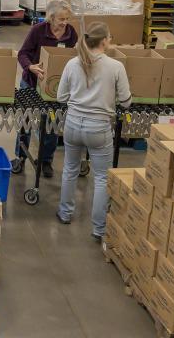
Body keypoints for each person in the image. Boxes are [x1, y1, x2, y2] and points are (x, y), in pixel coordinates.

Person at [54, 22, 131, 241]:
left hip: (72, 124)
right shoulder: (116, 67)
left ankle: (65, 213)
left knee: (69, 169)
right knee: (100, 178)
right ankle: (98, 229)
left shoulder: (72, 63)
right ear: (104, 40)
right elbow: (125, 102)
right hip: (98, 128)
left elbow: (61, 97)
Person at [16, 0, 77, 178]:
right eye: (61, 19)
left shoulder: (71, 33)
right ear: (51, 17)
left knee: (52, 123)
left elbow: (74, 56)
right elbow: (23, 53)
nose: (64, 23)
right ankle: (20, 157)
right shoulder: (38, 31)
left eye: (67, 19)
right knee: (25, 122)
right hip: (32, 82)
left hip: (56, 87)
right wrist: (30, 67)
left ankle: (46, 160)